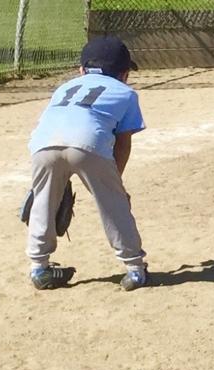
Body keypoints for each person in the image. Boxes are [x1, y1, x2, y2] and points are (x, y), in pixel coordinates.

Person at [25, 36, 148, 292]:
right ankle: (135, 269)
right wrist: (116, 186)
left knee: (43, 202)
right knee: (114, 205)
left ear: (81, 71)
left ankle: (39, 267)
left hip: (42, 144)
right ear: (124, 74)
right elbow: (123, 143)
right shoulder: (126, 93)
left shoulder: (63, 88)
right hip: (88, 143)